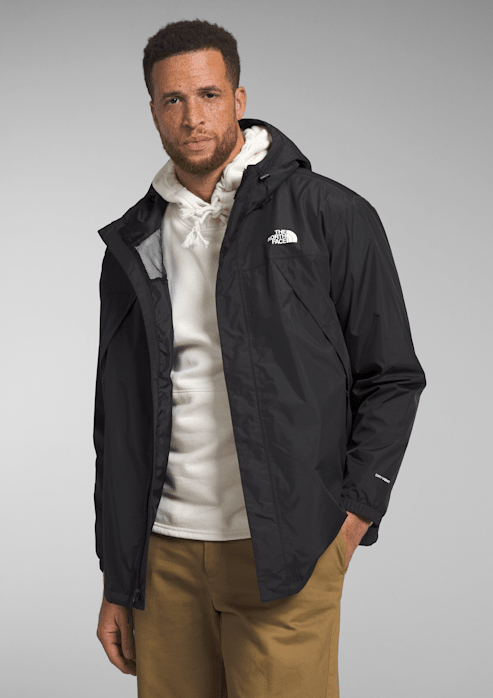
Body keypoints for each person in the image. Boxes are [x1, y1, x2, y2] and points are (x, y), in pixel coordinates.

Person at [94, 18, 426, 698]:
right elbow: (116, 419)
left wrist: (355, 514)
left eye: (209, 95)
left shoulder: (330, 214)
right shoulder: (133, 242)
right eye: (173, 99)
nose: (192, 116)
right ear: (153, 109)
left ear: (239, 100)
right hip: (162, 558)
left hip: (286, 549)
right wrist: (117, 576)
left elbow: (392, 375)